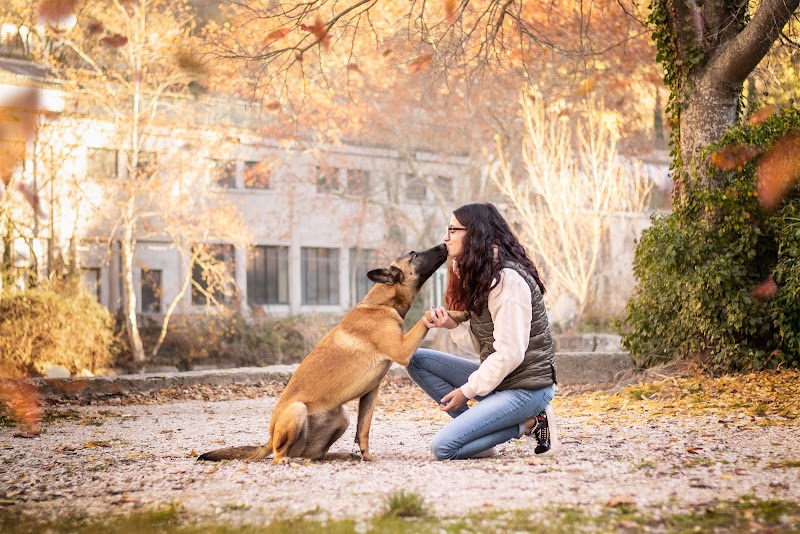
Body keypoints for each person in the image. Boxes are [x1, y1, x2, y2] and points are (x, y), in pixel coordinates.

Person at [406, 202, 558, 460]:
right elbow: (484, 346)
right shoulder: (482, 274)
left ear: (475, 233)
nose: (446, 237)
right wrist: (452, 325)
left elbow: (510, 354)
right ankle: (478, 438)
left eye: (453, 230)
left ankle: (532, 422)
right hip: (503, 381)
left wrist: (467, 391)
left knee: (442, 448)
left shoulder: (507, 282)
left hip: (527, 389)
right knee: (416, 359)